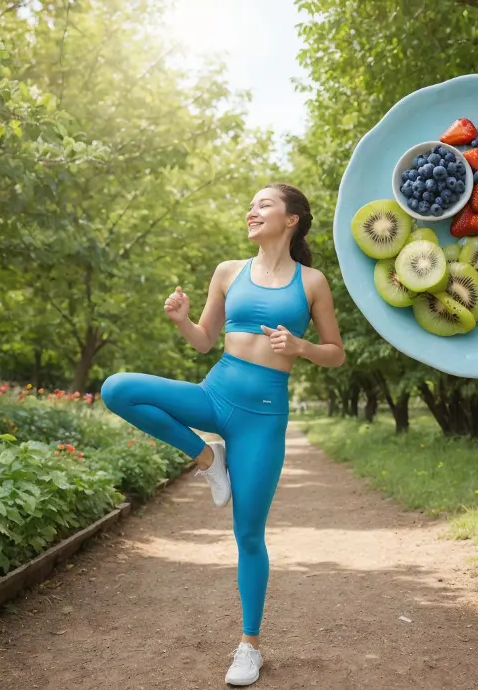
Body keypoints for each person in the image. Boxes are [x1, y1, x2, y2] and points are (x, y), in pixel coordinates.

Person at [101, 183, 344, 686]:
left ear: (292, 218)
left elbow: (336, 352)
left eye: (264, 204)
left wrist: (301, 347)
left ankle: (249, 646)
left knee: (248, 534)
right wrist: (182, 320)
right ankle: (208, 459)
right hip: (215, 394)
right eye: (251, 205)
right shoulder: (227, 272)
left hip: (263, 417)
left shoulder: (313, 281)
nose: (252, 211)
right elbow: (204, 342)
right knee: (117, 388)